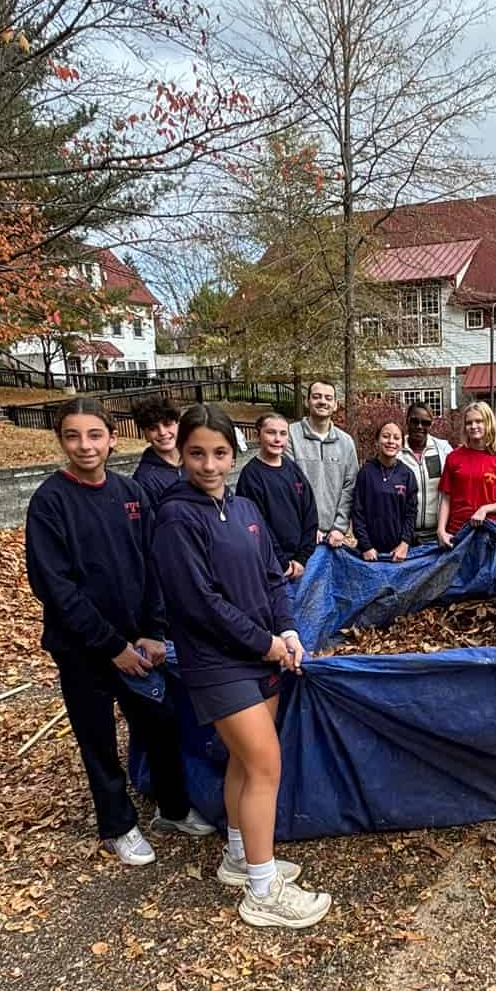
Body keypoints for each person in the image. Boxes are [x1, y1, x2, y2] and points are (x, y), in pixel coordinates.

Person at [152, 404, 332, 930]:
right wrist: (266, 644)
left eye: (220, 453)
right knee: (264, 766)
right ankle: (262, 890)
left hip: (262, 654)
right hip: (219, 663)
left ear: (235, 454)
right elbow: (199, 604)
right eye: (197, 453)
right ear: (181, 452)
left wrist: (289, 630)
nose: (209, 465)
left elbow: (273, 578)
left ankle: (239, 855)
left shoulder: (246, 507)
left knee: (241, 762)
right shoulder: (175, 517)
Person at [24, 399, 215, 865]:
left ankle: (172, 808)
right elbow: (56, 588)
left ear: (112, 438)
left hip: (139, 645)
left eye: (94, 435)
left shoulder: (132, 493)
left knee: (160, 721)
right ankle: (118, 825)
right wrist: (112, 647)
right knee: (98, 738)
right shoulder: (50, 502)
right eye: (73, 436)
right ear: (61, 441)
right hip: (84, 649)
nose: (84, 445)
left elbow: (153, 565)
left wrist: (152, 631)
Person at [235, 411, 318, 580]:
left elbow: (310, 512)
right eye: (271, 432)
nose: (277, 439)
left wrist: (302, 558)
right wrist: (282, 563)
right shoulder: (251, 476)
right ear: (258, 436)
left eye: (283, 433)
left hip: (300, 562)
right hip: (271, 566)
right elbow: (257, 526)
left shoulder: (293, 469)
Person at [287, 380, 358, 549]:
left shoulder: (346, 442)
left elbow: (350, 487)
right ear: (307, 401)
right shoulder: (291, 434)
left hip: (335, 537)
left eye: (328, 398)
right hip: (299, 533)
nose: (323, 402)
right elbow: (287, 485)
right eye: (317, 397)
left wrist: (339, 527)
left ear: (335, 405)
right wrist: (308, 526)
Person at [437, 402, 496, 547]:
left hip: (490, 535)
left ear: (489, 423)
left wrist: (485, 509)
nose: (473, 426)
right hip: (457, 533)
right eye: (469, 423)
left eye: (479, 421)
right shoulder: (453, 457)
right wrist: (441, 530)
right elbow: (446, 498)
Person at [351, 421, 416, 561]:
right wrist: (366, 546)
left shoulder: (407, 474)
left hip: (398, 553)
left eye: (396, 438)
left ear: (402, 443)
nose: (391, 441)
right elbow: (357, 511)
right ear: (377, 440)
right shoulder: (365, 473)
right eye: (386, 436)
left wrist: (404, 544)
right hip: (369, 553)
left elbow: (411, 514)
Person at [396, 401, 452, 539]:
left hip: (437, 533)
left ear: (431, 424)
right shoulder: (396, 450)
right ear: (407, 421)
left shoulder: (443, 449)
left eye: (425, 422)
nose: (419, 427)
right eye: (415, 421)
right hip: (403, 533)